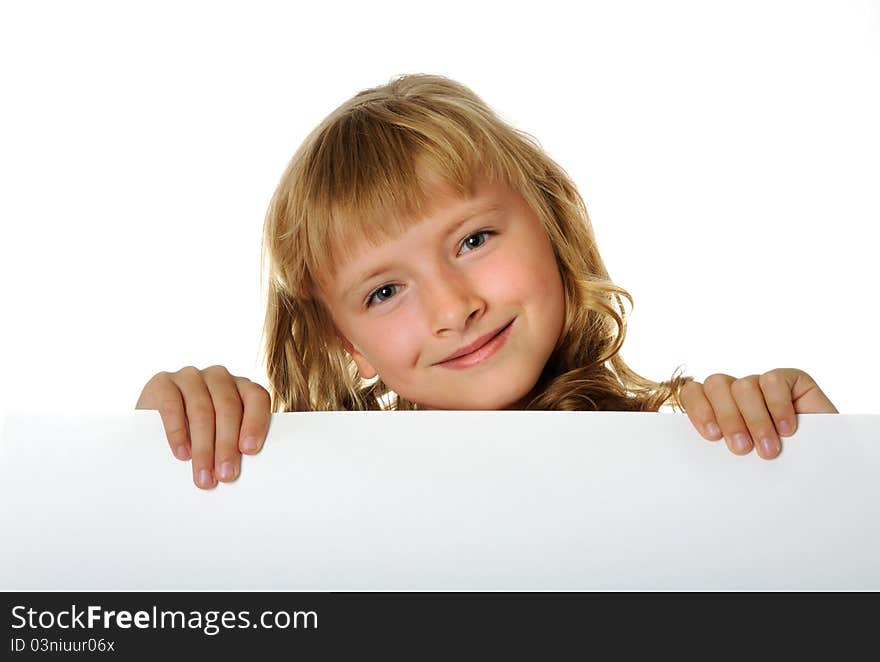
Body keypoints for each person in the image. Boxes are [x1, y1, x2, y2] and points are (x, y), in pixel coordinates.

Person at [135, 73, 838, 489]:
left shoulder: (695, 455)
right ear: (345, 342)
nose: (453, 309)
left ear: (551, 224)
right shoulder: (309, 489)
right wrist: (161, 444)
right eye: (384, 291)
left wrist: (816, 463)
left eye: (473, 240)